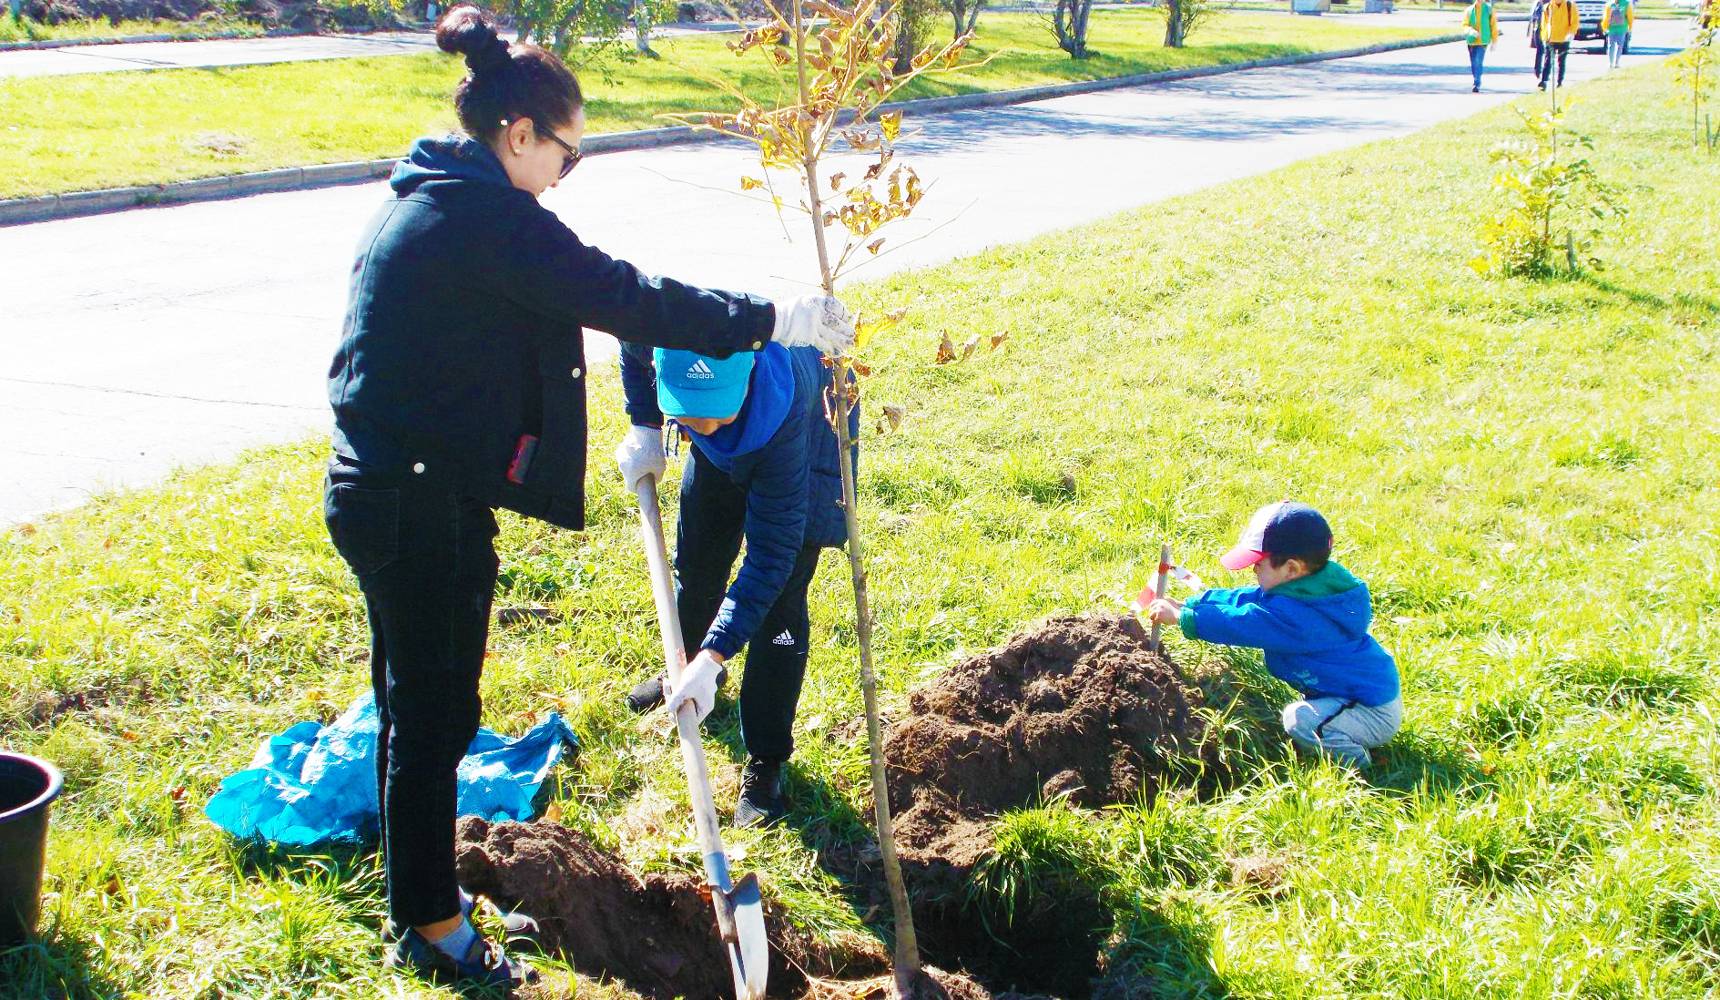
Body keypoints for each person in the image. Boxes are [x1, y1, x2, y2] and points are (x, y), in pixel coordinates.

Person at [321, 4, 854, 989]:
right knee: (433, 716)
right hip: (414, 503)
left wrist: (649, 424)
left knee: (415, 709)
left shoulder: (440, 194)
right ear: (517, 136)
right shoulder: (481, 219)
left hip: (387, 490)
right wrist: (769, 316)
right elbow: (624, 296)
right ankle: (435, 928)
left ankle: (421, 894)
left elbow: (605, 309)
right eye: (566, 157)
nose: (566, 176)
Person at [615, 338, 857, 827]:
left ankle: (766, 760)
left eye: (713, 415)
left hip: (807, 432)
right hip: (722, 451)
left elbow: (770, 558)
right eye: (689, 414)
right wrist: (646, 421)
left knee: (780, 604)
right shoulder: (666, 329)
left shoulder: (785, 410)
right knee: (699, 563)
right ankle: (679, 669)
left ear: (743, 383)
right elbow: (625, 332)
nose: (700, 427)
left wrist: (718, 651)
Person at [1146, 502, 1402, 769]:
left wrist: (1184, 618)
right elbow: (1246, 599)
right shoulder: (1305, 589)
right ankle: (1335, 736)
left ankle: (1361, 767)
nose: (1253, 569)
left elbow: (1246, 623)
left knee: (1298, 720)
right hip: (1350, 695)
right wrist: (1193, 604)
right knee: (1305, 720)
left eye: (1259, 563)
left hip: (1370, 709)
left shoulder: (1300, 619)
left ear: (1291, 568)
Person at [1540, 0, 1579, 90]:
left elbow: (1575, 22)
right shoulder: (1548, 7)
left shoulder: (1570, 5)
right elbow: (1544, 24)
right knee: (1547, 61)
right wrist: (1544, 37)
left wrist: (1571, 33)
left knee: (1561, 62)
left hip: (1564, 39)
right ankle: (1544, 81)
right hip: (1550, 39)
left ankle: (1560, 82)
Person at [1462, 0, 1500, 93]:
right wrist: (1470, 31)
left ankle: (1477, 83)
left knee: (1478, 61)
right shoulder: (1469, 10)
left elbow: (1493, 26)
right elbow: (1465, 25)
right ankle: (1476, 78)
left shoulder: (1489, 10)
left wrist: (1494, 41)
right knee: (1473, 63)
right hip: (1471, 41)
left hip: (1483, 41)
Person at [1601, 0, 1633, 69]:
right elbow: (1606, 17)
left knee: (1619, 46)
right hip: (1611, 29)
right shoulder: (1609, 4)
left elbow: (1630, 16)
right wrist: (1604, 27)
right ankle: (1611, 62)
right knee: (1611, 46)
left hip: (1622, 29)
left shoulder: (1626, 4)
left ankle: (1616, 62)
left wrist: (1630, 27)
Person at [1528, 0, 1550, 81]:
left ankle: (1542, 72)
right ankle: (1538, 71)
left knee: (1544, 52)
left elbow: (1533, 18)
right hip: (1540, 30)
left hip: (1543, 30)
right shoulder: (1539, 4)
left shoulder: (1547, 4)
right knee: (1542, 51)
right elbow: (1533, 18)